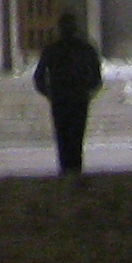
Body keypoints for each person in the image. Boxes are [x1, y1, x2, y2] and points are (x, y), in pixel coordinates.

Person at [29, 13, 105, 176]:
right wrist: (87, 92)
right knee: (76, 137)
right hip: (76, 98)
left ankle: (67, 169)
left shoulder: (54, 49)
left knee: (64, 136)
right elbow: (97, 78)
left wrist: (50, 93)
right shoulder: (84, 48)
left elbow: (39, 77)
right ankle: (75, 169)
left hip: (63, 98)